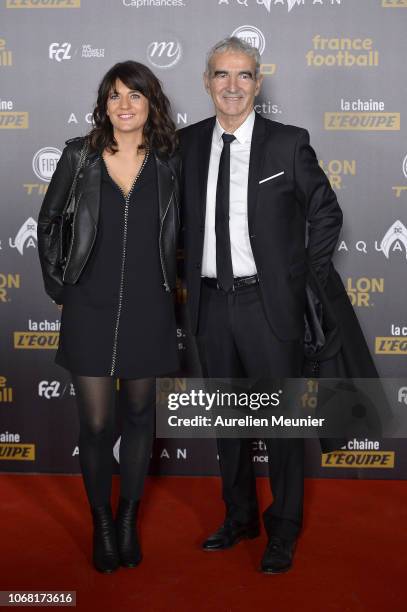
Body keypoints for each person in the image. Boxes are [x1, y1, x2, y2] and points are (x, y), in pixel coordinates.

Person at [178, 37, 343, 574]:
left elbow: (326, 212)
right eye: (221, 75)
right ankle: (241, 516)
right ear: (206, 81)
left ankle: (284, 528)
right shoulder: (186, 146)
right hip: (208, 305)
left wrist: (301, 278)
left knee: (282, 427)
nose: (231, 86)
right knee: (229, 423)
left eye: (243, 75)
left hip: (268, 306)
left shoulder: (288, 144)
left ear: (257, 82)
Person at [37, 61, 181, 574]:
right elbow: (49, 220)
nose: (124, 105)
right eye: (115, 95)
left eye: (134, 96)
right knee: (97, 424)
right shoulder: (79, 156)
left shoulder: (169, 159)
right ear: (104, 103)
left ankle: (127, 520)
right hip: (89, 305)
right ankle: (101, 522)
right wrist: (60, 285)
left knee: (141, 418)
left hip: (150, 304)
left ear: (150, 103)